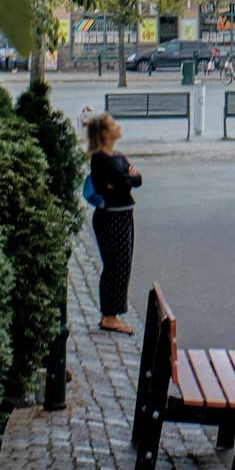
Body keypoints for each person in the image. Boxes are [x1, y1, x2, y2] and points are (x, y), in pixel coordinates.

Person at [86, 113, 142, 334]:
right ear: (105, 134)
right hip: (110, 216)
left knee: (123, 265)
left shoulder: (117, 156)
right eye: (113, 125)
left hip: (124, 214)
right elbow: (122, 182)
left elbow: (135, 180)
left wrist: (128, 179)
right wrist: (127, 179)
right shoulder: (100, 158)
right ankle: (109, 315)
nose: (118, 126)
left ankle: (112, 313)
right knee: (115, 266)